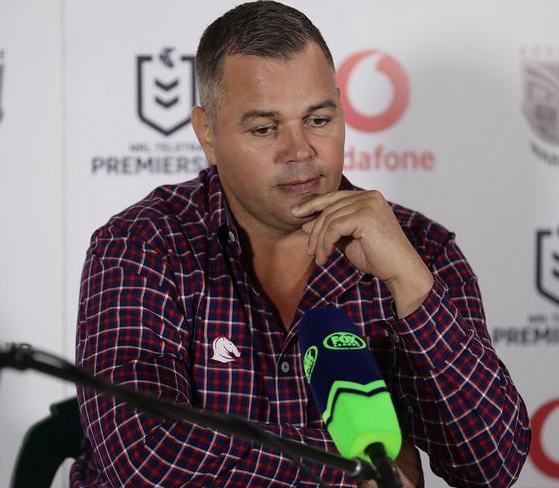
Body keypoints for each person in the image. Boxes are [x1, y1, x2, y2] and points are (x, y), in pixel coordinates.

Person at [71, 2, 530, 486]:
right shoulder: (141, 246)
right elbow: (146, 458)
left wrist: (411, 285)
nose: (300, 152)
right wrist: (351, 473)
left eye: (317, 120)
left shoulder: (422, 249)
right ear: (208, 133)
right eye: (265, 129)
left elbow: (490, 467)